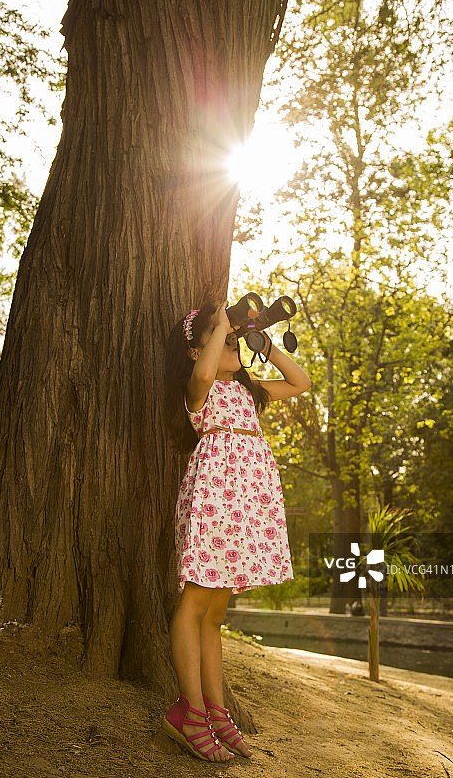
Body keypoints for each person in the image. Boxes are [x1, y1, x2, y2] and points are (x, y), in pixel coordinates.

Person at [162, 299, 311, 763]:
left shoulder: (248, 391)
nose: (230, 341)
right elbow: (205, 375)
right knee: (195, 600)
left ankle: (215, 708)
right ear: (194, 350)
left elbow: (301, 382)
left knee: (215, 612)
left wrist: (264, 344)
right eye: (219, 335)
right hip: (214, 495)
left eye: (231, 336)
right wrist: (222, 321)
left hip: (246, 501)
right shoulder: (197, 388)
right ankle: (188, 711)